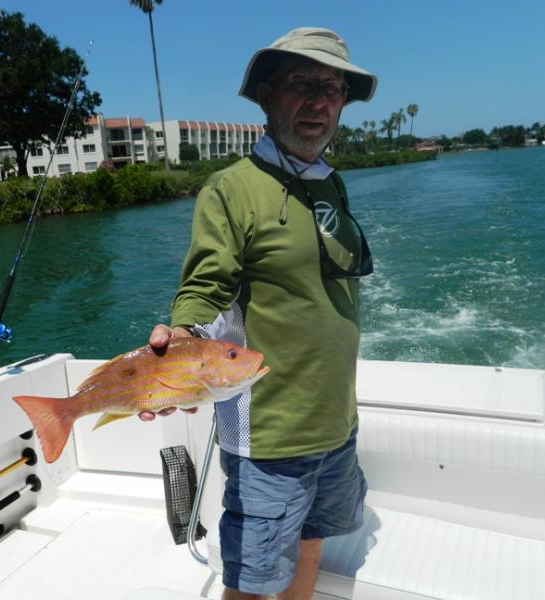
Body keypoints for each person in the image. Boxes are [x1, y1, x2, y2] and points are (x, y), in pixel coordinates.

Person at [145, 27, 378, 600]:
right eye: (302, 84)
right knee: (251, 585)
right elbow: (206, 283)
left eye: (332, 88)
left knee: (312, 543)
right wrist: (182, 339)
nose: (318, 102)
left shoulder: (331, 183)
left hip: (336, 423)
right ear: (268, 96)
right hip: (270, 438)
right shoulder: (231, 189)